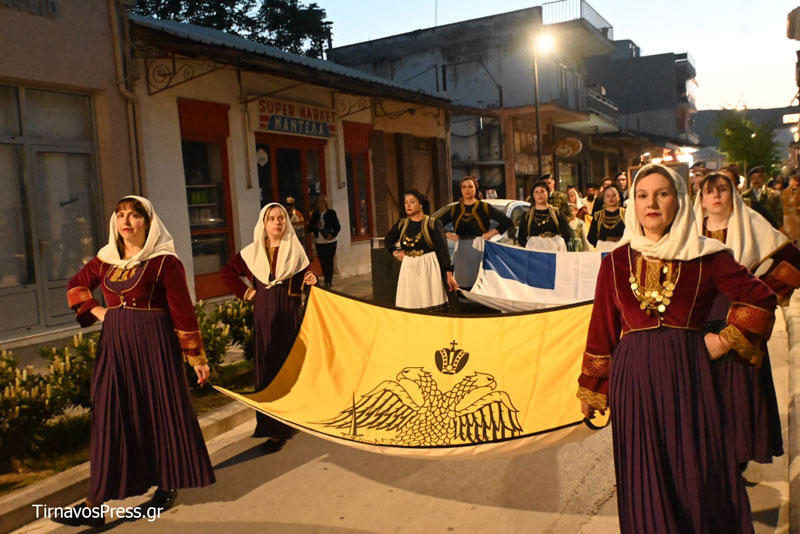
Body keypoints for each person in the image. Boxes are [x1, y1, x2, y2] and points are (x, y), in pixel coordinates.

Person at [578, 164, 776, 533]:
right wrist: (592, 387)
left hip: (690, 375)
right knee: (644, 476)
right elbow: (601, 329)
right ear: (633, 204)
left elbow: (760, 297)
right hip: (634, 382)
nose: (651, 203)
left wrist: (724, 340)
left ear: (679, 201)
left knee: (699, 474)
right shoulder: (616, 262)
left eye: (662, 194)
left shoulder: (706, 255)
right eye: (642, 195)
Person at [61, 196, 215, 527]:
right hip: (116, 346)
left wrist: (196, 358)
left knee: (158, 411)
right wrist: (99, 310)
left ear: (148, 221)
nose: (126, 221)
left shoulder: (164, 262)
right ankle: (94, 503)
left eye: (133, 215)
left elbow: (182, 312)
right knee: (110, 414)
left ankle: (166, 482)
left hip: (155, 344)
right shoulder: (105, 260)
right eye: (120, 215)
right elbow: (76, 286)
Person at [695, 171, 800, 466]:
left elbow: (793, 262)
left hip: (742, 314)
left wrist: (763, 293)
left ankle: (738, 458)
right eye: (709, 191)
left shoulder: (751, 222)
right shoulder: (690, 229)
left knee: (740, 388)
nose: (716, 195)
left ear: (733, 195)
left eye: (722, 189)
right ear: (701, 199)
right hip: (702, 314)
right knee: (705, 388)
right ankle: (712, 459)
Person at [222, 203, 318, 452]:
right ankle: (271, 427)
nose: (277, 222)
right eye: (272, 218)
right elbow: (228, 272)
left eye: (281, 218)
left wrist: (312, 279)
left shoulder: (295, 251)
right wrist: (246, 292)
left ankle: (288, 423)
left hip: (288, 314)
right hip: (264, 315)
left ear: (286, 222)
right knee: (267, 368)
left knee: (287, 367)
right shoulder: (252, 252)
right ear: (263, 224)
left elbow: (305, 283)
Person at [385, 189, 458, 310]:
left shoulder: (432, 223)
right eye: (406, 202)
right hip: (408, 267)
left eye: (412, 202)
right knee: (410, 303)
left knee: (429, 301)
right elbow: (388, 240)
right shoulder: (402, 223)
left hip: (428, 267)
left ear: (420, 204)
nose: (408, 205)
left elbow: (443, 250)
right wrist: (396, 253)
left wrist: (449, 275)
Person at [435, 175, 512, 288]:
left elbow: (507, 221)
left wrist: (490, 234)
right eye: (464, 187)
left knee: (479, 282)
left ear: (476, 189)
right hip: (461, 247)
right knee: (462, 282)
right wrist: (449, 235)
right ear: (461, 190)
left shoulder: (484, 207)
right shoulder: (455, 209)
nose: (467, 189)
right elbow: (436, 224)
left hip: (480, 245)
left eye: (470, 187)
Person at [517, 180, 572, 251]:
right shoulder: (527, 216)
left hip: (554, 251)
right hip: (534, 253)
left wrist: (556, 243)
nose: (539, 194)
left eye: (542, 191)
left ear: (548, 194)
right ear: (533, 196)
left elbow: (567, 234)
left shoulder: (557, 213)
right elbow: (521, 238)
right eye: (536, 192)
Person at [308, 194, 340, 288]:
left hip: (330, 241)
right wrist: (316, 226)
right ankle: (326, 278)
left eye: (322, 202)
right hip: (319, 241)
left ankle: (328, 281)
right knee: (322, 261)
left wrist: (332, 235)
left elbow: (337, 227)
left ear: (326, 203)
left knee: (329, 261)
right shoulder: (315, 214)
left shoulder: (331, 213)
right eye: (319, 202)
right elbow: (309, 228)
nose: (320, 204)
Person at [587, 185, 625, 251]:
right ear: (604, 199)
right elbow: (591, 237)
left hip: (622, 250)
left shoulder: (626, 214)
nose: (611, 198)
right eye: (608, 196)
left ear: (619, 197)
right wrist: (601, 245)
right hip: (603, 251)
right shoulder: (598, 216)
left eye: (614, 195)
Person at [783, 173, 800, 244]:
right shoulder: (785, 191)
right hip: (788, 216)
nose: (789, 182)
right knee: (789, 234)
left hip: (797, 216)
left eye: (791, 181)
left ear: (796, 182)